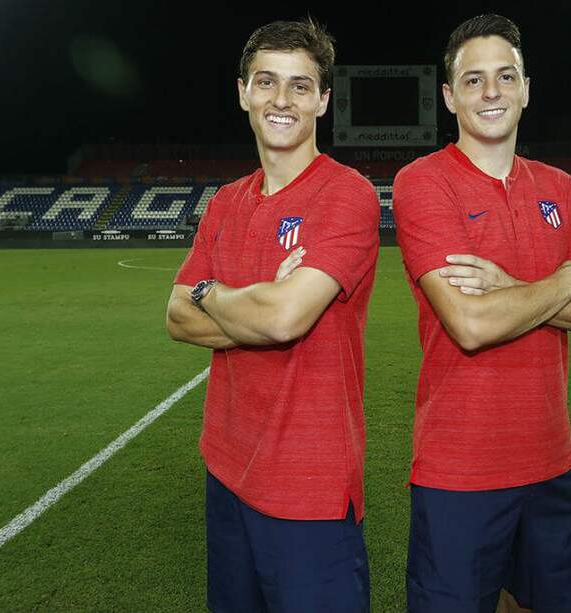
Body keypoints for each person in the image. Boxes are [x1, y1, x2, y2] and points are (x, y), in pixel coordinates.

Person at [392, 14, 571, 613]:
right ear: (449, 96)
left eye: (505, 76)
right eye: (473, 80)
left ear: (526, 87)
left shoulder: (559, 186)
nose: (491, 92)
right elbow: (471, 326)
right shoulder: (422, 183)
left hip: (553, 465)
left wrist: (519, 287)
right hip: (458, 471)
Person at [165, 18, 379, 613]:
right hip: (227, 470)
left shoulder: (347, 194)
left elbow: (284, 320)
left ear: (323, 101)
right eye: (266, 82)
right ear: (242, 92)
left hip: (307, 485)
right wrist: (240, 297)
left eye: (300, 86)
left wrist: (210, 293)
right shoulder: (225, 201)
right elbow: (177, 316)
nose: (281, 100)